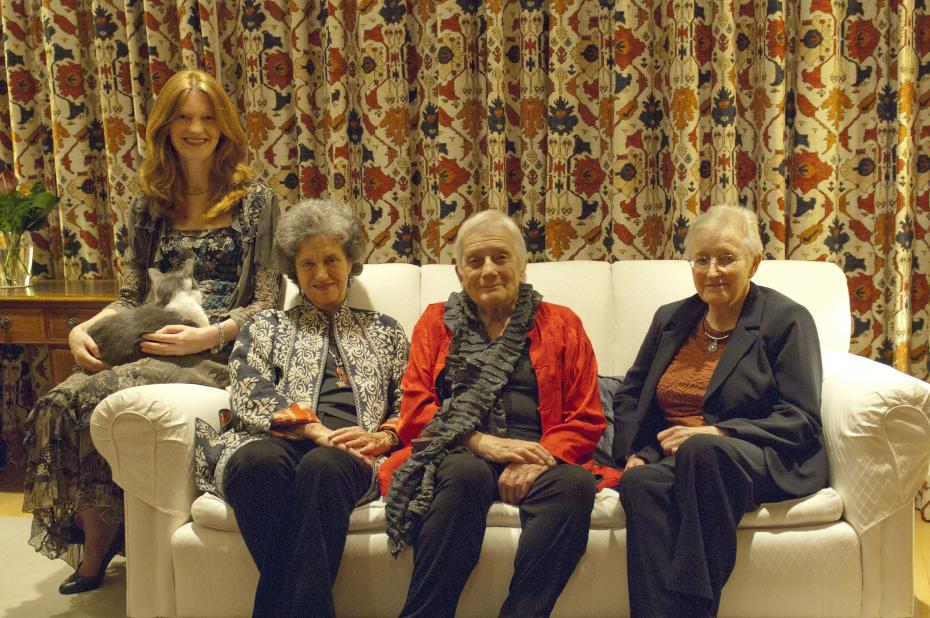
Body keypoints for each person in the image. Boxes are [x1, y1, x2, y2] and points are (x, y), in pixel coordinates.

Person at [22, 68, 280, 595]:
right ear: (164, 125)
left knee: (94, 396)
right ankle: (98, 545)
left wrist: (208, 337)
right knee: (60, 400)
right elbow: (131, 296)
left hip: (215, 354)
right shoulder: (148, 203)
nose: (196, 128)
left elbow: (268, 303)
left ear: (224, 126)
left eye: (208, 117)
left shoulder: (256, 201)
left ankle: (97, 555)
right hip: (143, 343)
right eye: (183, 116)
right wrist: (82, 329)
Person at [381, 210, 621, 618]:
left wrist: (539, 458)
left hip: (539, 456)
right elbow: (416, 408)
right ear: (459, 273)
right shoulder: (437, 322)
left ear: (522, 265)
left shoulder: (562, 323)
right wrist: (481, 442)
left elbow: (587, 416)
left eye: (500, 258)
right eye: (475, 261)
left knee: (575, 485)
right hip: (458, 452)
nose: (488, 270)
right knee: (465, 474)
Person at [612, 205, 828, 618]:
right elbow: (630, 394)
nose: (712, 270)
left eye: (726, 258)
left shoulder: (786, 320)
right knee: (639, 485)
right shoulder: (672, 318)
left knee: (702, 452)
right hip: (677, 458)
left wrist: (719, 434)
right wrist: (633, 453)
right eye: (701, 259)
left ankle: (696, 608)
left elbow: (801, 418)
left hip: (759, 457)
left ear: (755, 263)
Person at [198, 199, 409, 618]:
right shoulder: (266, 327)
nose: (321, 273)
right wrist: (313, 429)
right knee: (254, 462)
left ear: (351, 262)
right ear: (294, 271)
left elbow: (412, 399)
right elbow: (246, 384)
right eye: (307, 263)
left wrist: (384, 435)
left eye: (331, 259)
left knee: (323, 467)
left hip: (351, 453)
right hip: (275, 440)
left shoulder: (386, 331)